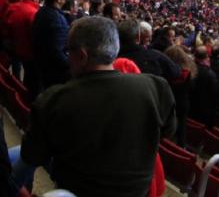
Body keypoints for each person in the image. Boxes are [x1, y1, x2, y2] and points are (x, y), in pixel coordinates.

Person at [21, 17, 176, 197]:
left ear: (82, 56)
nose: (67, 56)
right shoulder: (157, 87)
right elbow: (167, 132)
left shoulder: (53, 99)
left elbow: (31, 155)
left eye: (68, 50)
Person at [4, 0, 41, 98]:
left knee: (27, 76)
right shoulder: (33, 13)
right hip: (29, 52)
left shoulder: (13, 7)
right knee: (33, 81)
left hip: (17, 49)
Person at [32, 0, 69, 90]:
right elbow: (57, 51)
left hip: (41, 63)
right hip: (53, 70)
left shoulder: (41, 12)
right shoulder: (56, 19)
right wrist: (69, 64)